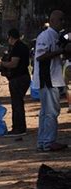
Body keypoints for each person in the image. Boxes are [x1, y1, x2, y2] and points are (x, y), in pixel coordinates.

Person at [32, 10, 68, 152]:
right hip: (47, 79)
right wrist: (61, 51)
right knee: (51, 112)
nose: (63, 22)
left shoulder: (56, 36)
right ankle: (48, 142)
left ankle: (43, 142)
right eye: (61, 20)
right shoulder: (46, 36)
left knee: (46, 112)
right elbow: (40, 56)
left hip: (52, 78)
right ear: (52, 21)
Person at [0, 28, 31, 137]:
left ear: (10, 37)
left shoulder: (17, 48)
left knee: (17, 103)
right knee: (18, 102)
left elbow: (13, 64)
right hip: (24, 77)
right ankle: (19, 127)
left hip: (18, 78)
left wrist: (1, 63)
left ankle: (19, 128)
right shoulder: (23, 46)